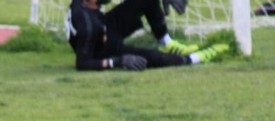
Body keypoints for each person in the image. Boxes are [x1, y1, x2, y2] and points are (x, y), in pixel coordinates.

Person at [67, 0, 229, 71]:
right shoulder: (87, 25)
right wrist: (117, 61)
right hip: (102, 49)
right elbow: (82, 63)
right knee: (149, 57)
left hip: (106, 24)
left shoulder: (87, 4)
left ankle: (167, 43)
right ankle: (193, 59)